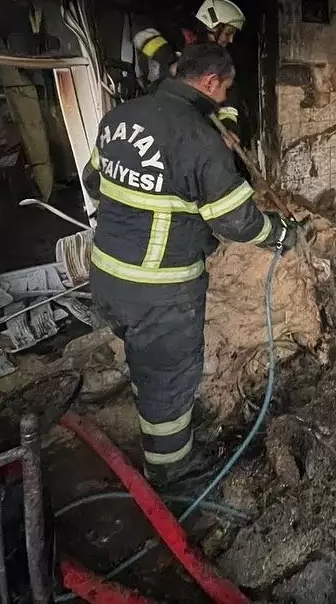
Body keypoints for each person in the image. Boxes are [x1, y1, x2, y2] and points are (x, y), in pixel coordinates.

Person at [84, 44, 299, 487]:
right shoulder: (198, 138)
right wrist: (280, 234)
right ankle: (170, 468)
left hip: (107, 276)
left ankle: (164, 421)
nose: (225, 98)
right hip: (159, 289)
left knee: (149, 365)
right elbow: (236, 220)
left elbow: (93, 180)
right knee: (169, 375)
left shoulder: (121, 117)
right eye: (225, 89)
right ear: (209, 82)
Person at [133, 0, 247, 138]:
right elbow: (141, 36)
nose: (230, 40)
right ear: (213, 27)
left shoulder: (221, 63)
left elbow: (229, 102)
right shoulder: (179, 37)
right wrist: (170, 60)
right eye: (228, 33)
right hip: (156, 112)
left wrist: (229, 128)